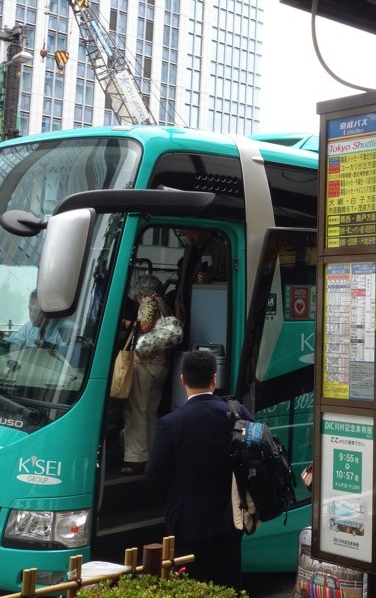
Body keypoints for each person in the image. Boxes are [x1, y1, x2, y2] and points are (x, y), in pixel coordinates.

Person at [147, 349, 247, 587]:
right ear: (215, 379)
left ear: (182, 380)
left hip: (186, 523)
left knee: (188, 585)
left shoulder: (170, 424)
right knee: (226, 586)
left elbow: (153, 475)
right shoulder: (237, 414)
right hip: (230, 519)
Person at [122, 272, 172, 474]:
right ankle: (153, 454)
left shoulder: (149, 301)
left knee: (135, 412)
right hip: (162, 365)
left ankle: (136, 459)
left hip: (144, 364)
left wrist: (125, 323)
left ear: (141, 291)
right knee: (151, 412)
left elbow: (145, 326)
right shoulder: (164, 303)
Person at [171, 228, 230, 324]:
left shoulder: (221, 249)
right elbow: (183, 278)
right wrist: (178, 301)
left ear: (205, 230)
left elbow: (230, 279)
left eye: (193, 232)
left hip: (208, 304)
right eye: (186, 233)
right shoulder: (188, 250)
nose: (189, 237)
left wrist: (211, 278)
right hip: (186, 303)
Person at [0, 291, 66, 348]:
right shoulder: (28, 327)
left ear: (48, 311)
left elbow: (70, 356)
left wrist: (52, 347)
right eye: (30, 310)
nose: (32, 315)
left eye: (36, 311)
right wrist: (0, 337)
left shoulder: (63, 329)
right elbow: (13, 343)